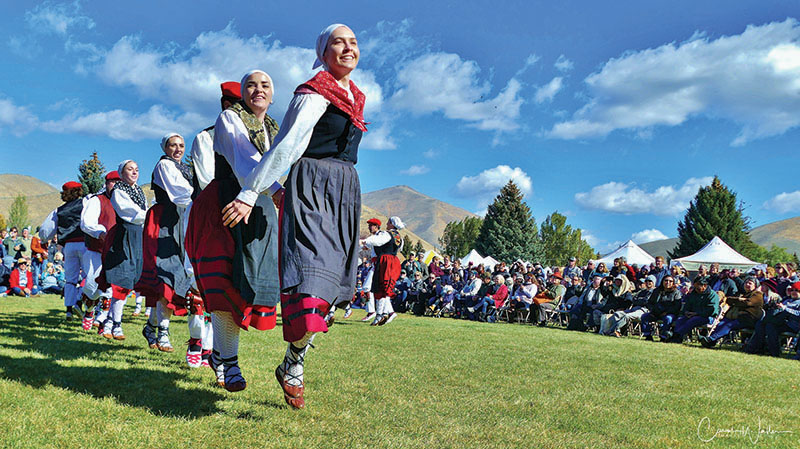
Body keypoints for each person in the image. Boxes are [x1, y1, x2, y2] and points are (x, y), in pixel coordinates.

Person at [217, 24, 367, 408]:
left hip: (344, 191)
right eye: (339, 43)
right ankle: (288, 363)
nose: (348, 49)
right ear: (323, 51)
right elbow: (285, 147)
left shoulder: (356, 96)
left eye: (353, 43)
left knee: (333, 292)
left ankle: (293, 361)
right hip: (313, 187)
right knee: (312, 280)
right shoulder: (313, 92)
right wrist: (252, 192)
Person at [186, 69, 283, 392]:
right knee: (224, 285)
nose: (258, 90)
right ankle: (230, 363)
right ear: (240, 94)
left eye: (265, 85)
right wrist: (278, 190)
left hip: (260, 208)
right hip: (226, 206)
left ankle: (219, 355)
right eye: (251, 86)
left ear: (272, 93)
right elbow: (245, 164)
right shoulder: (230, 120)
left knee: (248, 286)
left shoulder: (275, 129)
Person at [137, 133, 201, 362]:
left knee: (177, 278)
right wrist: (203, 200)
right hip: (164, 221)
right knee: (167, 277)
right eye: (173, 145)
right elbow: (180, 193)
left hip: (181, 219)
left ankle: (152, 326)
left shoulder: (185, 167)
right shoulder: (164, 165)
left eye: (181, 145)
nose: (178, 149)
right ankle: (162, 333)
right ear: (165, 147)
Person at [98, 160, 146, 340]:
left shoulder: (139, 191)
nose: (134, 172)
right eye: (130, 169)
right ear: (122, 172)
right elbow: (130, 213)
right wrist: (151, 216)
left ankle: (110, 321)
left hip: (138, 236)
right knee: (121, 280)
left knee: (129, 281)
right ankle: (116, 324)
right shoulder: (119, 190)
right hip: (124, 235)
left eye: (137, 169)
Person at [39, 181, 88, 320]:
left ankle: (68, 310)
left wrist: (44, 240)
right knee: (87, 276)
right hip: (84, 243)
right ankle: (79, 300)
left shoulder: (58, 210)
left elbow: (45, 230)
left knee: (70, 279)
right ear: (79, 191)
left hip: (69, 247)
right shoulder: (86, 203)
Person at [79, 171, 119, 331]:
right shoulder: (97, 200)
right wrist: (100, 232)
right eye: (112, 182)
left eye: (119, 182)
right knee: (91, 284)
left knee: (110, 286)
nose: (116, 185)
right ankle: (89, 309)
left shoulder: (126, 202)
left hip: (116, 252)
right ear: (107, 183)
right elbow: (86, 222)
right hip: (95, 250)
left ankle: (103, 319)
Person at [190, 82, 243, 193]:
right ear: (227, 106)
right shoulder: (206, 137)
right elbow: (207, 180)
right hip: (222, 203)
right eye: (244, 108)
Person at [361, 216, 404, 326]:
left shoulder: (386, 234)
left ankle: (380, 314)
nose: (387, 224)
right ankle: (382, 314)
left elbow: (378, 241)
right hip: (393, 262)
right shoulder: (398, 236)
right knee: (385, 288)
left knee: (380, 287)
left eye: (389, 222)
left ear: (392, 224)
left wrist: (365, 241)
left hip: (385, 262)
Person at [699, 276, 764, 348]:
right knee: (722, 322)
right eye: (746, 283)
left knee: (729, 325)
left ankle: (710, 339)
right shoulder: (744, 295)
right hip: (738, 317)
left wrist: (738, 301)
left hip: (748, 319)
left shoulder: (758, 294)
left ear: (755, 286)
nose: (747, 284)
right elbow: (728, 300)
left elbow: (748, 303)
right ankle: (711, 341)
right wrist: (740, 299)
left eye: (750, 283)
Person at [666, 276, 720, 343]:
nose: (696, 290)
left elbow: (712, 310)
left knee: (693, 320)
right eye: (695, 287)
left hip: (708, 318)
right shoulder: (694, 293)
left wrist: (697, 313)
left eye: (698, 288)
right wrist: (686, 312)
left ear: (704, 286)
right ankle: (677, 337)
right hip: (692, 315)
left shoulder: (712, 295)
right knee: (680, 320)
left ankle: (676, 336)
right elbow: (687, 305)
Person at [640, 275, 682, 341]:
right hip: (656, 313)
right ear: (662, 281)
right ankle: (647, 335)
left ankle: (663, 337)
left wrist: (666, 312)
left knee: (668, 318)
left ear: (673, 283)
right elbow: (650, 303)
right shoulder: (657, 291)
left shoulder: (676, 292)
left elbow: (676, 307)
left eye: (670, 281)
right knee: (644, 316)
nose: (668, 282)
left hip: (669, 313)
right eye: (666, 280)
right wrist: (653, 310)